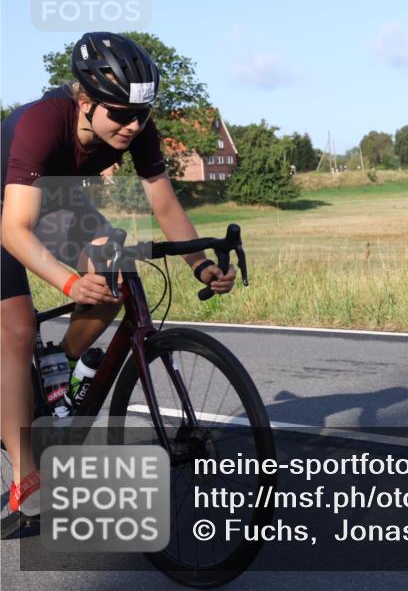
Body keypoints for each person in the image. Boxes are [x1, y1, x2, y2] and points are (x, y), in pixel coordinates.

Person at [1, 32, 237, 535]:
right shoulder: (43, 123)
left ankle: (55, 366)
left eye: (141, 115)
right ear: (84, 102)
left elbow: (166, 206)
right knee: (17, 327)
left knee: (116, 269)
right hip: (8, 212)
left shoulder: (136, 123)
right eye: (120, 115)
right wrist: (67, 284)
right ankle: (27, 476)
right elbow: (14, 229)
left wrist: (200, 265)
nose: (133, 126)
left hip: (57, 201)